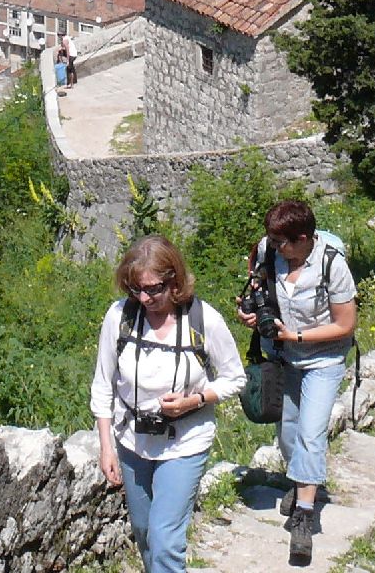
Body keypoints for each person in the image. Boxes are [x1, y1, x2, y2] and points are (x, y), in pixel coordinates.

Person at [92, 235, 245, 573]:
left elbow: (236, 378)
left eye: (153, 289)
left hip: (185, 443)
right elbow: (103, 385)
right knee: (146, 535)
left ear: (174, 280)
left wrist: (195, 401)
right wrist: (107, 447)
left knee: (165, 540)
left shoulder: (203, 320)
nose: (144, 298)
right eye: (136, 290)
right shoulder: (121, 317)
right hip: (133, 442)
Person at [239, 199, 358, 566]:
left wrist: (298, 336)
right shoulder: (267, 249)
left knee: (310, 432)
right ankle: (302, 481)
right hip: (284, 359)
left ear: (303, 238)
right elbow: (254, 280)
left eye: (282, 243)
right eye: (272, 241)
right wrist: (251, 312)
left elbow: (345, 324)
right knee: (288, 432)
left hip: (324, 358)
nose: (275, 249)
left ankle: (304, 516)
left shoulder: (331, 263)